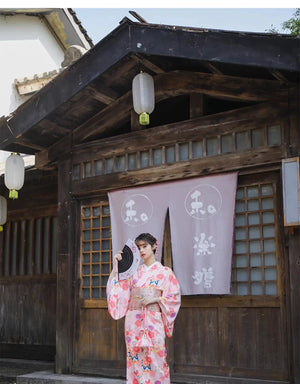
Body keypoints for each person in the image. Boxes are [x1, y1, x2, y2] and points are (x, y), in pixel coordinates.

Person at [107, 233, 181, 384]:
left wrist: (156, 299)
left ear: (154, 246)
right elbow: (119, 288)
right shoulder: (133, 273)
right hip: (133, 320)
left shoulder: (165, 272)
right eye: (139, 247)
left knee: (157, 358)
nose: (142, 250)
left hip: (153, 319)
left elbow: (174, 297)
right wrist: (117, 266)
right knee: (134, 358)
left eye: (145, 246)